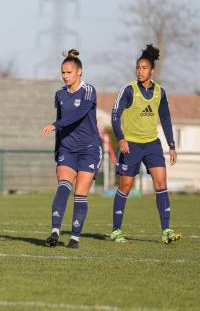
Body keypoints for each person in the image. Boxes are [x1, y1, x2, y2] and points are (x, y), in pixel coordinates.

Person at [110, 44, 181, 244]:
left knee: (161, 184)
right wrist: (121, 137)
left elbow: (166, 119)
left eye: (144, 68)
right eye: (138, 68)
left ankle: (166, 230)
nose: (140, 71)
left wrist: (172, 146)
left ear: (152, 70)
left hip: (152, 145)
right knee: (126, 187)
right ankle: (116, 230)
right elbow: (115, 115)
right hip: (130, 145)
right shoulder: (129, 89)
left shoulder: (160, 92)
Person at [41, 49, 102, 249]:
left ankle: (74, 238)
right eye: (63, 73)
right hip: (67, 148)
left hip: (89, 149)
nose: (66, 76)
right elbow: (62, 121)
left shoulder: (89, 91)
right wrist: (57, 149)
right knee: (63, 186)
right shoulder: (59, 94)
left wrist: (55, 125)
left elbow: (80, 113)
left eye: (69, 72)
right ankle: (54, 233)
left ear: (79, 72)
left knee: (80, 192)